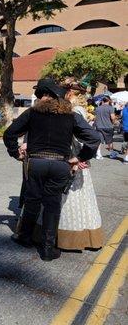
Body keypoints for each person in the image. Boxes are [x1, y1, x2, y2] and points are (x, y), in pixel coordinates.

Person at [3, 78, 100, 261]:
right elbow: (94, 138)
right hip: (60, 165)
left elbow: (10, 134)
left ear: (42, 97)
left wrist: (15, 153)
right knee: (52, 205)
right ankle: (48, 249)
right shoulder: (71, 115)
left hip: (36, 163)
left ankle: (25, 238)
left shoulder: (32, 113)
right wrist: (79, 157)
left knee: (32, 201)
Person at [54, 79, 104, 250]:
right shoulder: (78, 109)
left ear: (71, 94)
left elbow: (80, 138)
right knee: (79, 197)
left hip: (72, 158)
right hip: (76, 156)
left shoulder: (75, 110)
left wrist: (79, 158)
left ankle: (70, 237)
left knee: (69, 197)